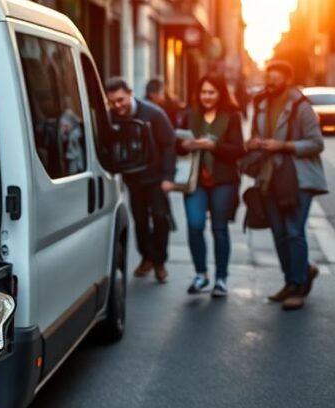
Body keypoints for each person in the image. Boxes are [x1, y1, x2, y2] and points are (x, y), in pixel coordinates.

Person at [245, 60, 327, 311]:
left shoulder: (301, 107)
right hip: (269, 177)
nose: (271, 83)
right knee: (279, 233)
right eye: (269, 78)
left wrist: (285, 146)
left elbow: (316, 143)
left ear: (287, 80)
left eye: (276, 79)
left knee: (293, 231)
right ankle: (293, 279)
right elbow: (255, 135)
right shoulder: (261, 104)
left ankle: (298, 287)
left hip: (298, 179)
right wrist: (254, 143)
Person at [177, 73, 245, 297]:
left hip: (223, 181)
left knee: (219, 229)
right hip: (194, 180)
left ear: (220, 93)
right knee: (195, 226)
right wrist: (185, 145)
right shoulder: (189, 114)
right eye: (203, 92)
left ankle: (221, 279)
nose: (207, 97)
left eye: (211, 92)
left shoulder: (231, 117)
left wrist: (214, 147)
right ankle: (201, 274)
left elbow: (237, 150)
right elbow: (175, 144)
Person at [105, 77, 177, 283]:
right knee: (140, 220)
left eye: (121, 100)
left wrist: (168, 177)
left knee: (161, 217)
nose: (117, 106)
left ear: (130, 94)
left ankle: (160, 262)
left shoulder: (154, 114)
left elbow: (169, 143)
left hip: (156, 177)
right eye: (113, 102)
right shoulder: (111, 117)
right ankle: (146, 257)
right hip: (133, 177)